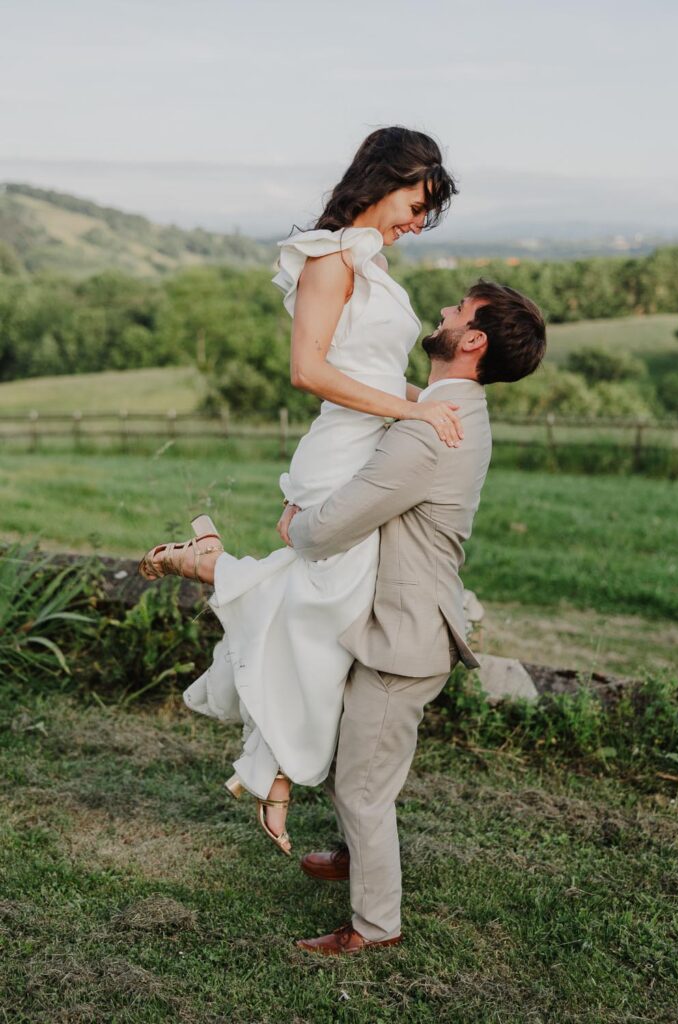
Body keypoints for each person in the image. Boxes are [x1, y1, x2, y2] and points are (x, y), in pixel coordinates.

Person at [139, 126, 461, 854]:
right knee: (326, 610)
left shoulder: (369, 265)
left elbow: (372, 372)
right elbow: (309, 372)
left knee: (318, 608)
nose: (418, 220)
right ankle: (274, 769)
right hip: (340, 449)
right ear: (382, 179)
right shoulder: (328, 260)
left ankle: (212, 573)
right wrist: (412, 409)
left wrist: (432, 405)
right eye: (416, 202)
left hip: (371, 440)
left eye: (427, 212)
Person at [279, 280, 547, 954]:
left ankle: (374, 927)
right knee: (362, 762)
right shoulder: (451, 407)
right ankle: (354, 856)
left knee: (363, 783)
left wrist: (293, 526)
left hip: (405, 637)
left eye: (457, 311)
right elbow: (401, 402)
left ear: (473, 339)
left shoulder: (429, 436)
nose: (444, 313)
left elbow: (335, 523)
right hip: (405, 618)